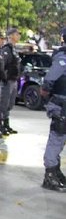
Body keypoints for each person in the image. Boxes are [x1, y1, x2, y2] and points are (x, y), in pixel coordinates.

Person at [40, 28, 66, 192]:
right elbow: (49, 81)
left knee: (60, 139)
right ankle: (50, 174)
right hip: (61, 104)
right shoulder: (62, 58)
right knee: (57, 138)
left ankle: (55, 170)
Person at [0, 28, 21, 135]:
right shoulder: (6, 49)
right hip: (7, 80)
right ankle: (0, 125)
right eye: (17, 34)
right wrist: (4, 77)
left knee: (10, 104)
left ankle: (6, 124)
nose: (19, 36)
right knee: (4, 103)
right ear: (11, 36)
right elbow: (3, 65)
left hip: (13, 79)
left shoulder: (13, 49)